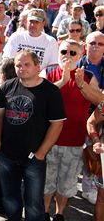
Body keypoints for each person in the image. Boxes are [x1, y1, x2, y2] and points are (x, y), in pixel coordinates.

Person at [0, 50, 66, 221]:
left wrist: (41, 153)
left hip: (34, 159)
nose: (21, 68)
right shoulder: (7, 87)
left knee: (34, 205)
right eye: (18, 65)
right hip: (7, 155)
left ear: (38, 67)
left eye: (26, 64)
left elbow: (57, 124)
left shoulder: (51, 91)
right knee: (10, 200)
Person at [44, 39, 102, 221]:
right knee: (47, 182)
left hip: (74, 140)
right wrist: (62, 81)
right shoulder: (49, 74)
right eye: (63, 52)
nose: (67, 57)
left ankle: (59, 214)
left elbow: (99, 101)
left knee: (67, 183)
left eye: (72, 53)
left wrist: (81, 84)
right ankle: (44, 212)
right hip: (49, 141)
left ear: (80, 55)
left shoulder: (88, 76)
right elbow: (41, 98)